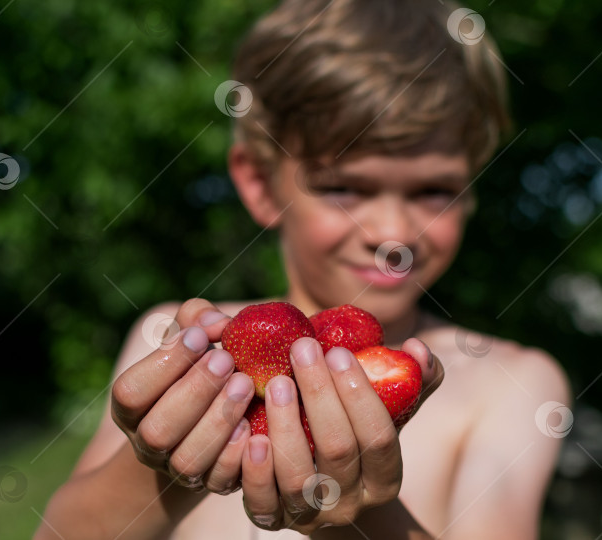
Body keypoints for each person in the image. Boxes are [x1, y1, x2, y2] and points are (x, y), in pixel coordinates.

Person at [35, 0, 570, 538]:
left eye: (434, 190)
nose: (393, 233)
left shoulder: (513, 386)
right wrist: (166, 457)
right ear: (262, 185)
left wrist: (353, 518)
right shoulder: (174, 345)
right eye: (343, 188)